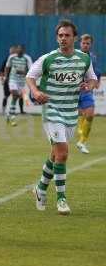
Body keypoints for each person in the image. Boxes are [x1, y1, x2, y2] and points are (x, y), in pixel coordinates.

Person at [26, 20, 97, 215]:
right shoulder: (48, 59)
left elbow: (93, 80)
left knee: (56, 154)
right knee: (63, 153)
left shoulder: (84, 59)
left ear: (74, 38)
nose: (63, 38)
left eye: (67, 35)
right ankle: (61, 199)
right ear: (57, 38)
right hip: (51, 110)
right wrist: (36, 91)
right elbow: (30, 77)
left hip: (70, 112)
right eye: (60, 35)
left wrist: (88, 86)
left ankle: (40, 189)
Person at [76, 34, 101, 154]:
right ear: (80, 44)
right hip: (74, 91)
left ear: (91, 45)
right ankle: (80, 129)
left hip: (87, 90)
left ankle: (82, 142)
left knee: (90, 115)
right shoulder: (74, 55)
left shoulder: (93, 57)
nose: (85, 45)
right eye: (83, 43)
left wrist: (96, 82)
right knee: (79, 114)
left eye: (88, 43)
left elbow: (97, 72)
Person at [4, 44, 32, 126]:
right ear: (16, 50)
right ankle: (13, 118)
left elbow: (31, 71)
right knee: (15, 94)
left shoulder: (27, 58)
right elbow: (7, 67)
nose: (19, 51)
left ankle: (9, 114)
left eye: (21, 50)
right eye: (18, 49)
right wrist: (6, 77)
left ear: (23, 51)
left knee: (15, 98)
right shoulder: (12, 57)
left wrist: (24, 73)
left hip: (21, 82)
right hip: (13, 80)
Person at [0, 45, 25, 115]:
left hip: (18, 81)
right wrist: (2, 79)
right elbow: (1, 70)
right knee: (6, 96)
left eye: (13, 51)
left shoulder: (22, 59)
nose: (12, 53)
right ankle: (3, 111)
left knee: (20, 96)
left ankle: (21, 111)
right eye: (11, 51)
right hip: (8, 81)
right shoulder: (7, 59)